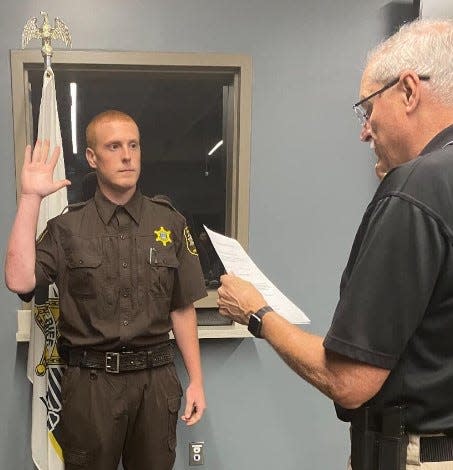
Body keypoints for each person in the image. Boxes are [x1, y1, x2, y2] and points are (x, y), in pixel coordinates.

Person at [217, 19, 453, 470]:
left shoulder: (416, 189)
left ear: (408, 91)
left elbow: (349, 379)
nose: (365, 131)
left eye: (367, 109)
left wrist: (257, 313)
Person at [5, 110, 207, 470]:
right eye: (114, 146)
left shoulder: (169, 223)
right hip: (90, 385)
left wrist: (196, 381)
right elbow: (19, 280)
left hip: (155, 382)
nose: (127, 155)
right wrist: (30, 198)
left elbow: (181, 307)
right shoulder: (67, 228)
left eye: (133, 145)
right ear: (92, 158)